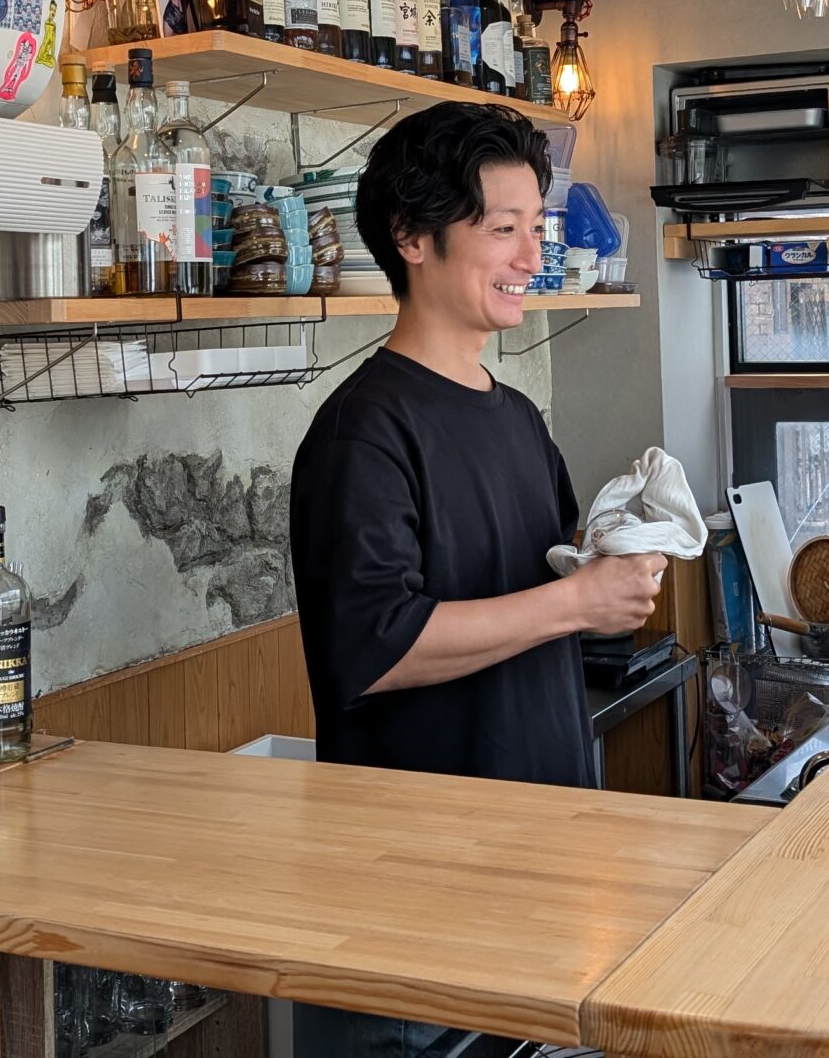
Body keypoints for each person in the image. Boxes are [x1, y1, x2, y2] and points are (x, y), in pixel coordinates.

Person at [287, 101, 665, 1054]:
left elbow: (549, 594)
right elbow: (375, 651)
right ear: (413, 238)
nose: (532, 255)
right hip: (419, 900)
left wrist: (614, 573)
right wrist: (576, 600)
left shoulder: (517, 417)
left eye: (536, 228)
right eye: (504, 230)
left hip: (539, 867)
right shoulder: (362, 432)